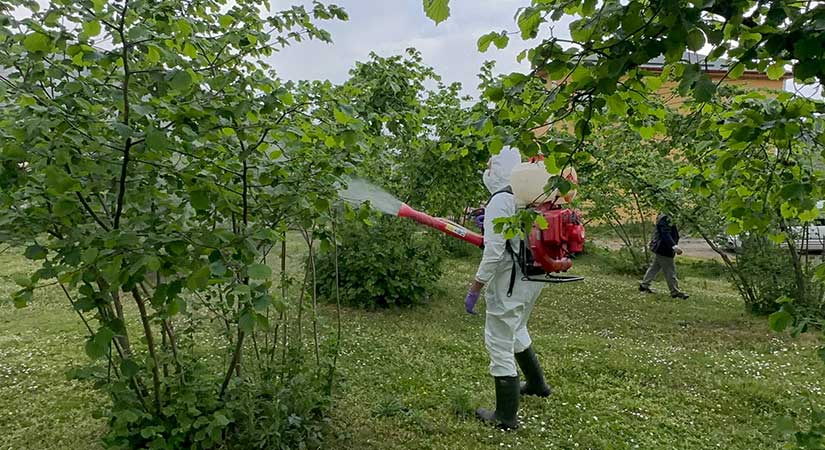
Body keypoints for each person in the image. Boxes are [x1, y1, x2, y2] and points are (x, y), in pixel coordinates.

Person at [463, 147, 552, 430]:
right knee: (517, 327)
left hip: (512, 280)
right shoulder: (527, 195)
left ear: (501, 169)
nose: (487, 171)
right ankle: (537, 384)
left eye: (491, 166)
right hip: (533, 276)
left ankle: (505, 416)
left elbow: (493, 252)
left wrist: (476, 286)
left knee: (499, 338)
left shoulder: (501, 199)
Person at [639, 212, 689, 299]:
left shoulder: (665, 215)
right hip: (664, 248)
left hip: (661, 247)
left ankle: (644, 285)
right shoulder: (665, 217)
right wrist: (674, 246)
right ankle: (675, 292)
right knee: (670, 270)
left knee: (654, 267)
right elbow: (665, 234)